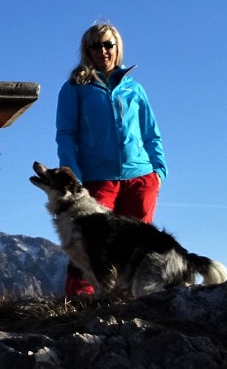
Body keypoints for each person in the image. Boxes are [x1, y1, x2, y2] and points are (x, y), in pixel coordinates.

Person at [53, 22, 166, 298]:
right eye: (95, 46)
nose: (102, 51)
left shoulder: (135, 90)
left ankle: (128, 303)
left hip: (140, 178)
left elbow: (151, 133)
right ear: (86, 51)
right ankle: (79, 304)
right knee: (89, 245)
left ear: (117, 48)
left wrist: (158, 171)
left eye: (108, 45)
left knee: (136, 246)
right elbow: (66, 134)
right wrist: (73, 172)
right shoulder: (75, 88)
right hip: (96, 178)